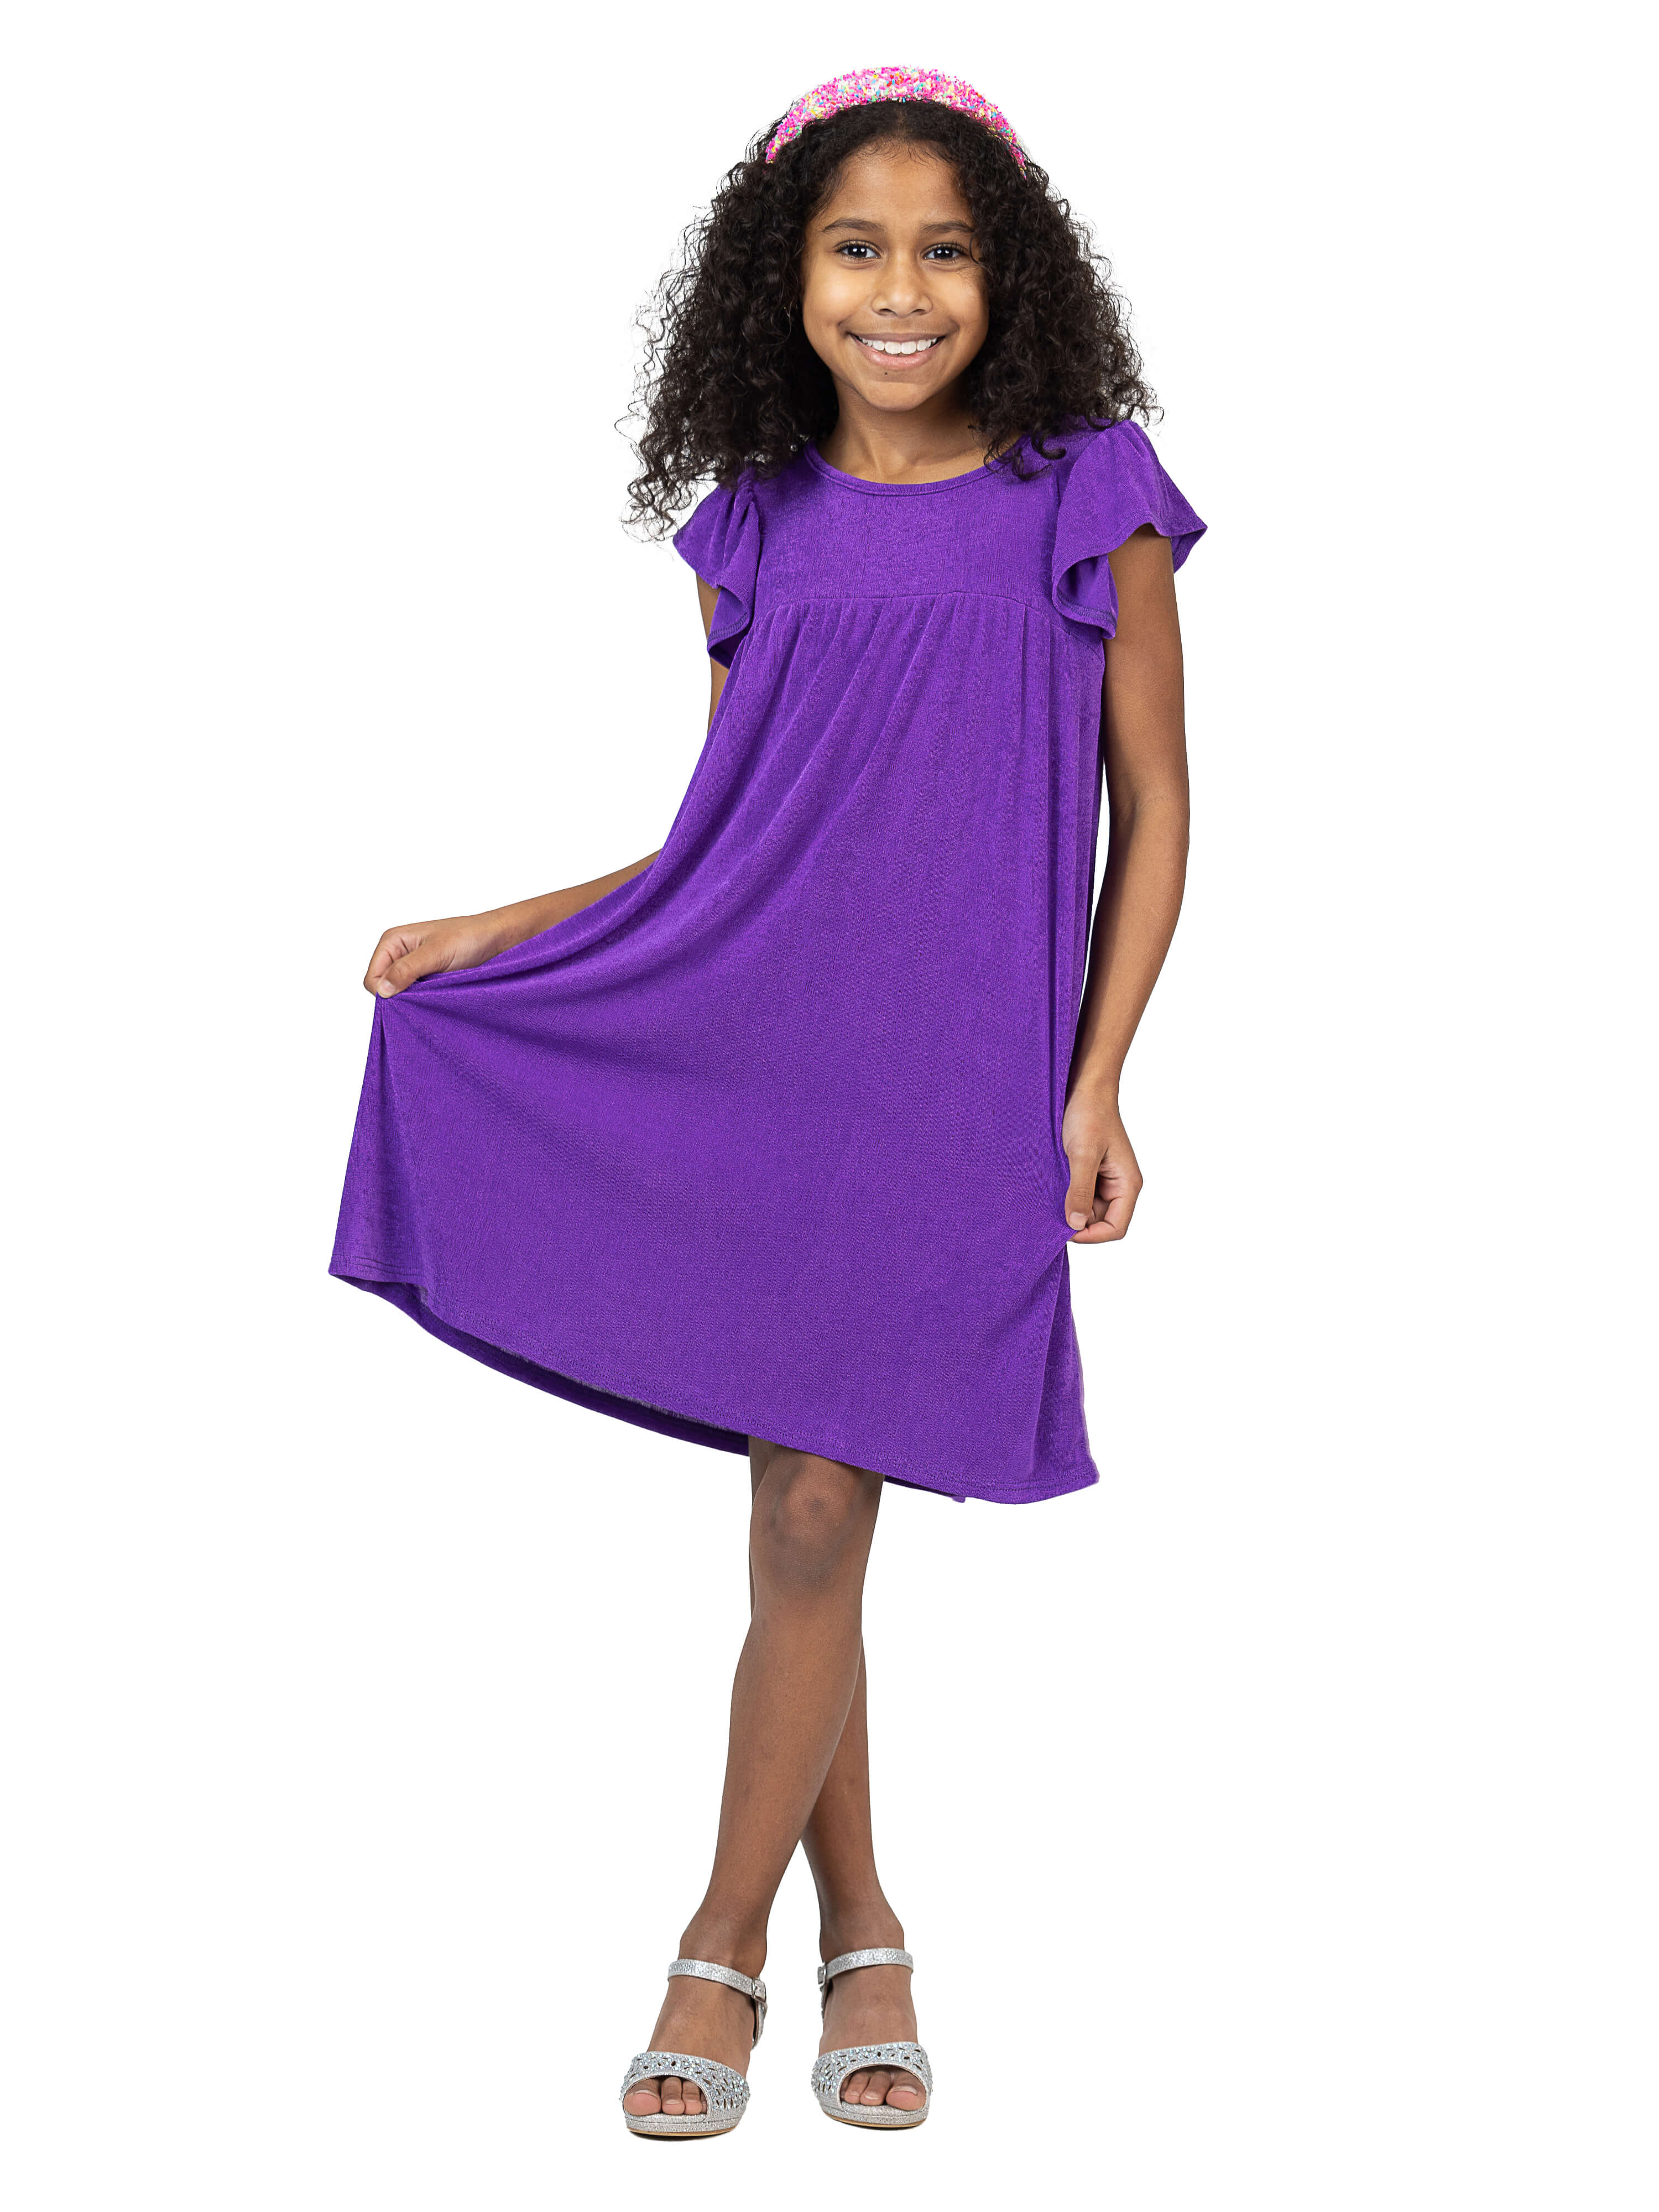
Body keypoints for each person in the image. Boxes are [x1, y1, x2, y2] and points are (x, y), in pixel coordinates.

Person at [328, 65, 1206, 2137]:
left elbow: (1159, 808)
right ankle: (861, 1927)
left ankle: (713, 1946)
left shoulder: (1086, 491)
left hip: (956, 1085)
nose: (901, 292)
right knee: (811, 1510)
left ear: (1010, 276)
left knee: (819, 1506)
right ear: (784, 279)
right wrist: (500, 929)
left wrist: (1101, 1077)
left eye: (945, 251)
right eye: (856, 250)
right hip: (763, 1055)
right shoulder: (753, 522)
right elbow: (728, 836)